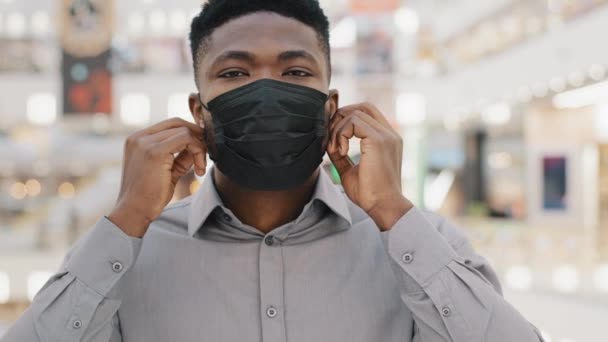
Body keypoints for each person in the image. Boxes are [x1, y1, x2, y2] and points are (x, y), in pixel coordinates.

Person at [2, 1, 544, 341]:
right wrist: (124, 221)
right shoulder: (129, 257)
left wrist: (391, 211)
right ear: (199, 110)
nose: (266, 90)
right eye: (234, 71)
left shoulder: (414, 247)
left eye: (295, 70)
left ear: (332, 106)